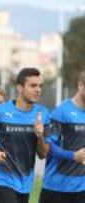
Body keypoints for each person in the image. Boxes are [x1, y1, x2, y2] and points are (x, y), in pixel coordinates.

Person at [0, 67, 50, 203]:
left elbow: (43, 154)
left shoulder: (42, 114)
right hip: (0, 179)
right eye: (33, 86)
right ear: (20, 88)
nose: (38, 90)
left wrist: (40, 136)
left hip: (25, 183)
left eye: (40, 86)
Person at [38, 70, 85, 203]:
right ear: (80, 85)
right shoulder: (62, 112)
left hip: (82, 188)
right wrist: (73, 156)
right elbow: (48, 147)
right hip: (57, 188)